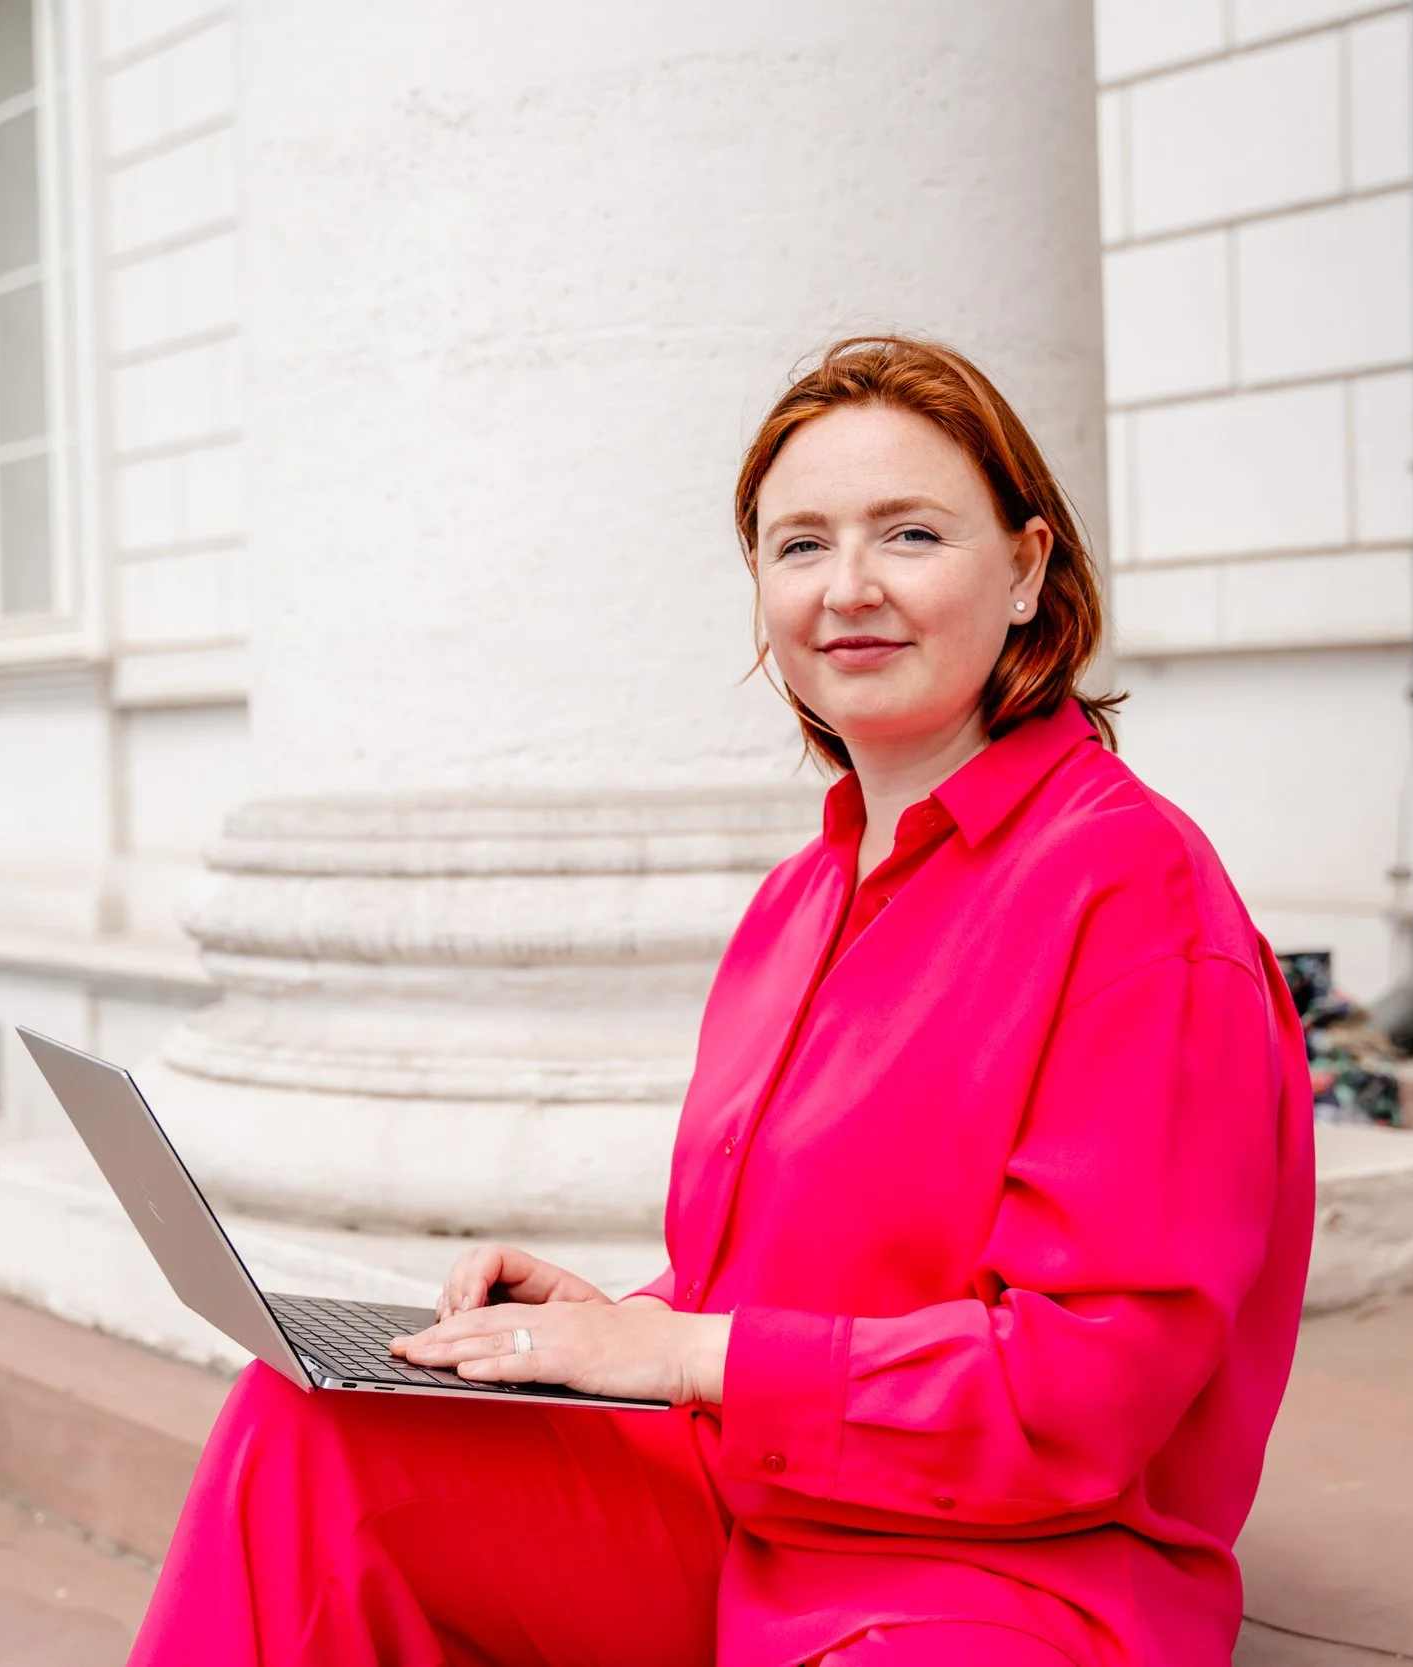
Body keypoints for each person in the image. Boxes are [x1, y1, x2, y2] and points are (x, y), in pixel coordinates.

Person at [127, 336, 1315, 1666]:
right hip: (752, 1510)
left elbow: (1088, 1394)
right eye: (799, 545)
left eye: (909, 533)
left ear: (1030, 567)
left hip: (998, 1582)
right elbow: (791, 1277)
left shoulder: (1131, 891)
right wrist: (614, 1322)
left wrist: (690, 1354)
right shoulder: (795, 904)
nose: (848, 588)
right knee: (312, 1433)